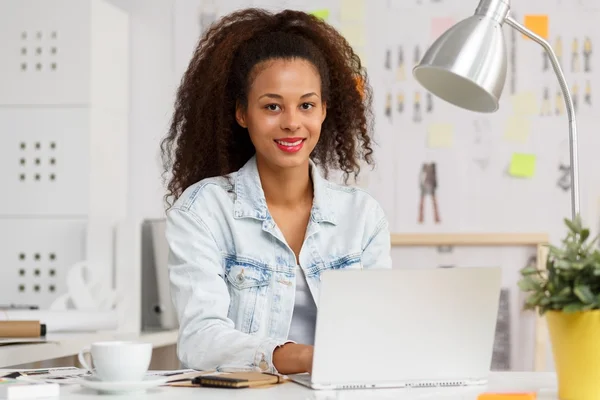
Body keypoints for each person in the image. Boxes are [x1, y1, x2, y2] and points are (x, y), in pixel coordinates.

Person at [160, 7, 392, 376]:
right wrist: (304, 358)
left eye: (306, 105)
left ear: (323, 111)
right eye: (272, 106)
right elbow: (200, 341)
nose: (291, 123)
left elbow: (382, 329)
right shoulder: (203, 211)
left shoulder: (362, 217)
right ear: (242, 113)